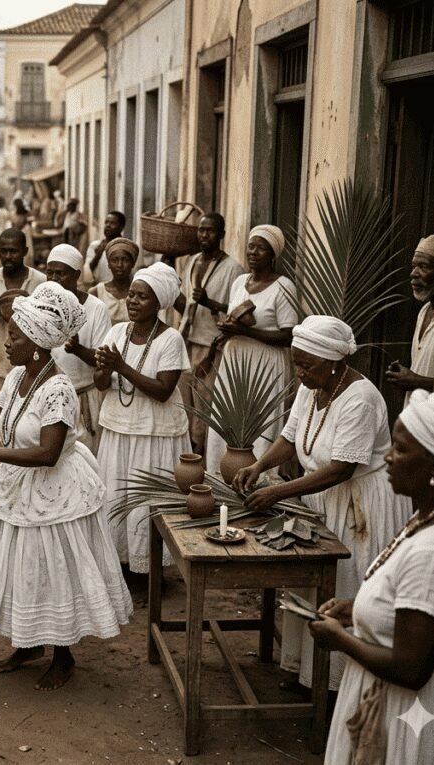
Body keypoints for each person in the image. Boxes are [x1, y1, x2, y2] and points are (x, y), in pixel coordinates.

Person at [0, 282, 133, 690]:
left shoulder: (59, 390)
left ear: (35, 343)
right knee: (21, 566)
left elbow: (48, 453)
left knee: (53, 570)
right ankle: (28, 643)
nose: (7, 342)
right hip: (18, 485)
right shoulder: (17, 376)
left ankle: (63, 655)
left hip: (55, 491)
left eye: (14, 336)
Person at [233, 315, 413, 691]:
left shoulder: (361, 399)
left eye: (306, 365)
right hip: (320, 495)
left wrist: (278, 492)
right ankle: (306, 674)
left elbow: (341, 469)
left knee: (343, 584)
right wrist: (259, 465)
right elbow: (289, 437)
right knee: (310, 584)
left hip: (358, 505)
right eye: (296, 363)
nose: (299, 372)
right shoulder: (311, 385)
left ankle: (337, 686)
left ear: (333, 362)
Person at [309, 389, 434, 763]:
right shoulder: (429, 519)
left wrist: (340, 639)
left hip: (410, 716)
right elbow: (419, 612)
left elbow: (411, 668)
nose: (387, 458)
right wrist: (359, 610)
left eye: (401, 449)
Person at [94, 262, 189, 579]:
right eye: (131, 295)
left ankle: (149, 570)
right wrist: (104, 370)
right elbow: (101, 383)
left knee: (147, 504)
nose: (133, 301)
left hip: (153, 433)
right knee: (115, 497)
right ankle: (120, 563)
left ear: (158, 302)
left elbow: (163, 390)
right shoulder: (116, 332)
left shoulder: (170, 339)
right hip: (119, 429)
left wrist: (120, 366)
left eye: (142, 297)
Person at [203, 224, 297, 476]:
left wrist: (245, 332)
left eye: (261, 248)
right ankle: (222, 474)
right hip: (234, 359)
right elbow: (233, 317)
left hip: (265, 362)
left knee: (262, 421)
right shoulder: (239, 282)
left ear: (273, 254)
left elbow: (288, 335)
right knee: (228, 417)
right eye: (251, 246)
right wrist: (228, 328)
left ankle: (260, 478)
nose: (253, 252)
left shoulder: (283, 286)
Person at [174, 214, 245, 455]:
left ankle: (202, 460)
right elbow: (185, 304)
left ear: (221, 235)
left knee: (205, 406)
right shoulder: (192, 261)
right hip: (186, 341)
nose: (204, 235)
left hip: (212, 346)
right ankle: (185, 455)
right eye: (201, 230)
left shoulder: (233, 269)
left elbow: (238, 314)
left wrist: (210, 302)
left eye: (210, 231)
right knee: (184, 403)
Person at [43, 244, 112, 452]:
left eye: (60, 273)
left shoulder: (96, 308)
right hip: (48, 398)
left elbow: (103, 360)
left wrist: (77, 349)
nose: (54, 279)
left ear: (76, 275)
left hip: (84, 400)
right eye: (50, 273)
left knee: (85, 457)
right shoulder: (41, 305)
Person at [0, 228, 46, 410]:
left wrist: (25, 307)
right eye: (3, 251)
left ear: (25, 251)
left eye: (13, 251)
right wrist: (1, 309)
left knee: (30, 423)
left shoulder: (41, 281)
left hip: (34, 370)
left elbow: (50, 324)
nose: (8, 256)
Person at [385, 234, 434, 406]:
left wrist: (419, 382)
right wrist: (405, 377)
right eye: (413, 266)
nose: (413, 274)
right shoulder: (424, 311)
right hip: (417, 415)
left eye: (424, 266)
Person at [88, 237, 138, 325]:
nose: (119, 265)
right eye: (114, 260)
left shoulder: (139, 294)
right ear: (108, 264)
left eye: (125, 260)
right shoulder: (96, 292)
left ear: (133, 263)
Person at [83, 211, 126, 289]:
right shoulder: (95, 245)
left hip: (119, 289)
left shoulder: (126, 247)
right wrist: (99, 253)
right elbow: (88, 272)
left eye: (112, 223)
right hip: (99, 288)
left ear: (121, 227)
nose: (108, 225)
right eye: (106, 222)